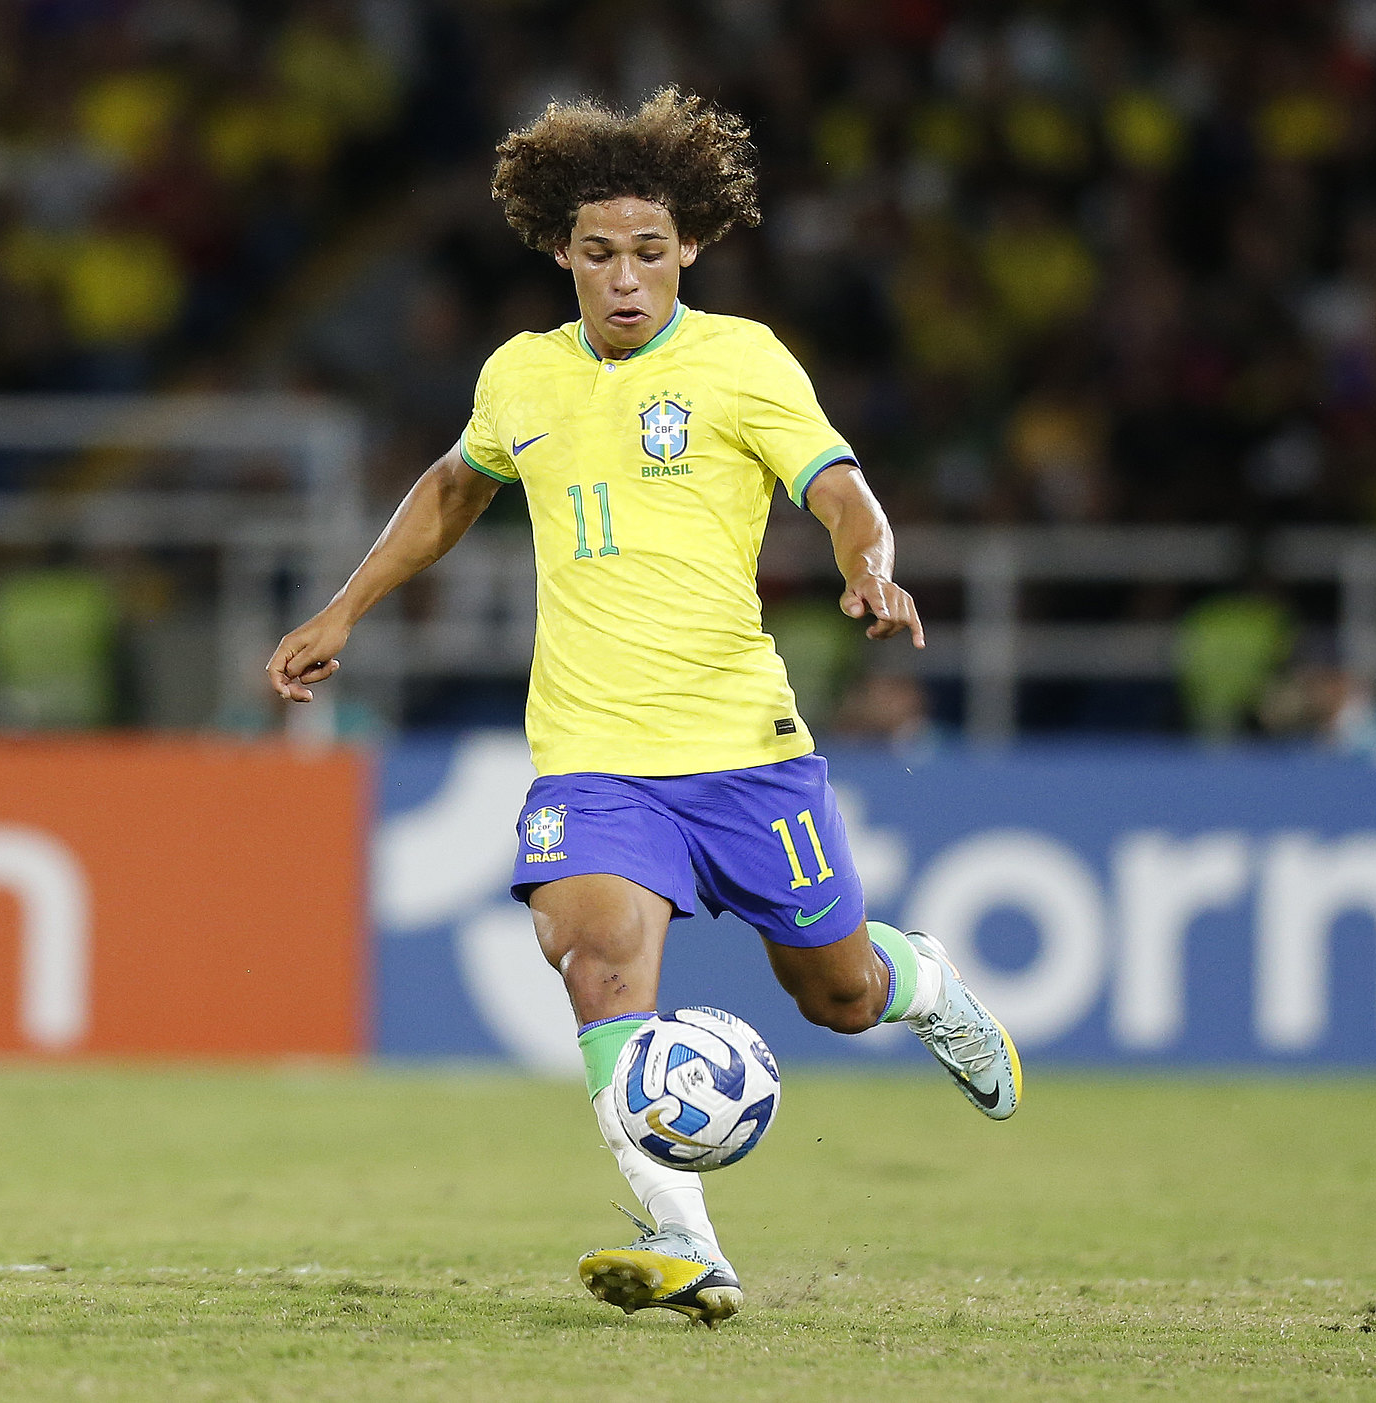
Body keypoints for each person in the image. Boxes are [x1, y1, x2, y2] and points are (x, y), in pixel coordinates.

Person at [265, 90, 1020, 1328]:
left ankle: (924, 981)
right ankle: (684, 1241)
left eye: (649, 252)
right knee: (595, 958)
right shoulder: (521, 373)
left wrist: (868, 565)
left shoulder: (741, 360)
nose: (624, 278)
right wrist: (345, 607)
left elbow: (840, 489)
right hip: (591, 756)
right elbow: (453, 486)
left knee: (834, 993)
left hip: (742, 750)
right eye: (599, 253)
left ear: (692, 248)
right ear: (560, 253)